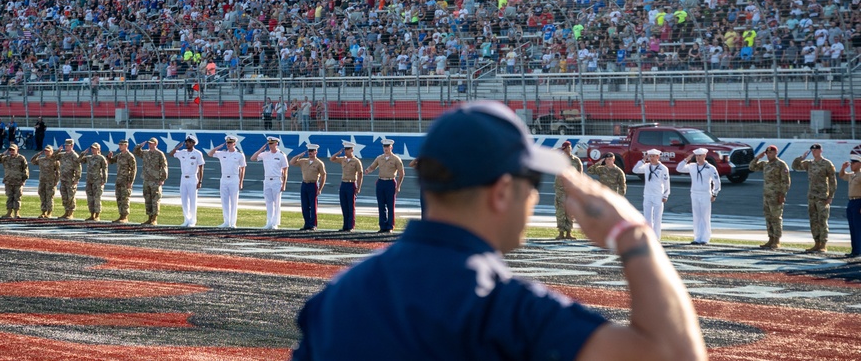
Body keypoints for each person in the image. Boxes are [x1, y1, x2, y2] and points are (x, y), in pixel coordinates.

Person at [292, 101, 707, 361]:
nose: (534, 199)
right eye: (533, 185)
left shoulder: (337, 297)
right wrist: (634, 235)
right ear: (503, 192)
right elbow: (673, 354)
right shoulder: (504, 308)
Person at [792, 143, 837, 253]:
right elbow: (795, 166)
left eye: (816, 150)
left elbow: (832, 181)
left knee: (822, 220)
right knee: (813, 221)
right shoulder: (809, 164)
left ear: (821, 151)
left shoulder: (827, 164)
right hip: (812, 196)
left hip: (822, 196)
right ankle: (816, 243)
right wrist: (801, 158)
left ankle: (823, 244)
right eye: (812, 150)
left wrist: (830, 196)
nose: (814, 152)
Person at [749, 145, 791, 249]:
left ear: (776, 153)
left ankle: (776, 240)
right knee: (768, 218)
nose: (769, 155)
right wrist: (757, 157)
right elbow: (751, 167)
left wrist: (782, 194)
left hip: (776, 196)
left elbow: (786, 182)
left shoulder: (781, 164)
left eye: (771, 153)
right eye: (767, 153)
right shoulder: (765, 164)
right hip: (767, 196)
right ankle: (770, 238)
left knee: (776, 218)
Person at [675, 148, 720, 245]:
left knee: (705, 216)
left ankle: (705, 238)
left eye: (700, 155)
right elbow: (679, 168)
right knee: (696, 216)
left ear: (704, 156)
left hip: (705, 194)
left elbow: (717, 182)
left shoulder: (710, 168)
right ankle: (697, 237)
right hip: (694, 193)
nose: (698, 158)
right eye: (697, 156)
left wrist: (714, 193)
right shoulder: (692, 166)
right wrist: (686, 159)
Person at [364, 139, 404, 233]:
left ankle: (389, 226)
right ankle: (382, 225)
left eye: (387, 146)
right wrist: (368, 170)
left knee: (390, 205)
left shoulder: (396, 159)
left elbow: (401, 173)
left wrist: (398, 186)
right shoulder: (379, 158)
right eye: (384, 146)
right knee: (381, 205)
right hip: (381, 182)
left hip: (390, 182)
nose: (386, 148)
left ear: (391, 147)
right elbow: (372, 167)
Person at [207, 136, 246, 228]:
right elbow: (210, 154)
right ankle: (226, 221)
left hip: (234, 178)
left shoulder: (239, 155)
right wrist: (218, 147)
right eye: (227, 143)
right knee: (224, 201)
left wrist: (241, 182)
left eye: (230, 143)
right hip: (224, 178)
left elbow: (243, 168)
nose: (228, 145)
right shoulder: (222, 153)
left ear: (234, 144)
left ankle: (233, 223)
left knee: (233, 201)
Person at [632, 148, 670, 239]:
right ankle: (648, 237)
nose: (652, 158)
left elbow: (666, 183)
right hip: (648, 194)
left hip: (658, 195)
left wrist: (665, 194)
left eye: (654, 156)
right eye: (650, 156)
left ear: (658, 156)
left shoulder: (663, 168)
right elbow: (635, 170)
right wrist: (642, 160)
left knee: (657, 218)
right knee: (647, 218)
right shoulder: (646, 166)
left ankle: (656, 237)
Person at [251, 136, 288, 229]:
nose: (270, 145)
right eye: (269, 144)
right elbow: (253, 158)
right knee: (268, 202)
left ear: (276, 144)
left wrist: (284, 184)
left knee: (277, 202)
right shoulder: (265, 154)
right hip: (267, 180)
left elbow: (285, 170)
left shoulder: (281, 155)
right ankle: (269, 222)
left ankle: (275, 223)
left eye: (272, 144)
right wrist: (260, 150)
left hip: (276, 180)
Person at [170, 134, 205, 227]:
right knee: (184, 200)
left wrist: (200, 181)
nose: (186, 144)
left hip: (193, 178)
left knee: (193, 200)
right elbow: (171, 154)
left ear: (193, 143)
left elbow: (201, 167)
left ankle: (192, 221)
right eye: (186, 142)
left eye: (188, 142)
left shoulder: (198, 153)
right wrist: (177, 147)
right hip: (183, 178)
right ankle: (186, 219)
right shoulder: (182, 152)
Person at [290, 144, 327, 230]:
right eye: (309, 151)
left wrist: (320, 188)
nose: (310, 153)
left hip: (313, 184)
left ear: (316, 152)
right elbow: (292, 162)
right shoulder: (304, 161)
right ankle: (307, 223)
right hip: (304, 184)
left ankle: (313, 224)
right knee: (305, 205)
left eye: (312, 151)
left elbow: (323, 175)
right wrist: (298, 156)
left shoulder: (319, 163)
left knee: (313, 206)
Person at [134, 138, 169, 225]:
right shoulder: (145, 153)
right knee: (147, 199)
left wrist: (162, 179)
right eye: (149, 143)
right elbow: (136, 152)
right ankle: (149, 217)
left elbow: (164, 167)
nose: (150, 145)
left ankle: (154, 218)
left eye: (152, 143)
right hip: (146, 179)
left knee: (155, 200)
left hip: (155, 180)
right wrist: (139, 146)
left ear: (155, 144)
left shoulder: (159, 154)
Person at [330, 141, 363, 232]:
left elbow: (360, 174)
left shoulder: (356, 161)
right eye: (345, 149)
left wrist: (359, 187)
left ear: (352, 150)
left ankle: (351, 226)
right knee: (344, 205)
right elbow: (332, 159)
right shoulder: (343, 159)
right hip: (343, 183)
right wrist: (338, 153)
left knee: (351, 206)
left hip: (351, 183)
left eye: (348, 149)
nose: (346, 151)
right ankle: (345, 225)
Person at [556, 140, 583, 240]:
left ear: (571, 148)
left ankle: (569, 232)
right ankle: (561, 232)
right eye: (565, 148)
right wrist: (558, 150)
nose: (567, 149)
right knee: (560, 211)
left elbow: (580, 175)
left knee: (570, 212)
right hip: (560, 189)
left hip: (571, 190)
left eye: (568, 147)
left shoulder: (576, 160)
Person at [0, 144, 29, 219]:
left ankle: (17, 212)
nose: (11, 151)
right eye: (10, 150)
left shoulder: (21, 158)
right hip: (8, 181)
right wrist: (3, 153)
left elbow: (25, 170)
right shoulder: (6, 158)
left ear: (17, 150)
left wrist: (23, 180)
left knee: (17, 197)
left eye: (13, 150)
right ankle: (9, 212)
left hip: (18, 181)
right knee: (9, 197)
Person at [107, 140, 137, 223]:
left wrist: (130, 181)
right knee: (119, 198)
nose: (119, 146)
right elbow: (111, 162)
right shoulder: (119, 155)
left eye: (121, 145)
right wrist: (109, 157)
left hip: (126, 180)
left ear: (126, 145)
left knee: (125, 198)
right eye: (119, 144)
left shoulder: (130, 156)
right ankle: (121, 215)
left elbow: (133, 170)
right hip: (119, 180)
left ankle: (125, 216)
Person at [54, 139, 84, 219]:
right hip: (63, 178)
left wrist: (77, 179)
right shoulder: (63, 155)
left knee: (71, 196)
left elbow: (78, 168)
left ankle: (70, 213)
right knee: (64, 196)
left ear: (72, 146)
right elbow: (53, 157)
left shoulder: (74, 156)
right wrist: (58, 151)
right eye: (66, 145)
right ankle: (66, 211)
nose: (66, 147)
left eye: (68, 145)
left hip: (70, 179)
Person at [839, 154, 861, 259]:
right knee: (852, 227)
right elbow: (842, 176)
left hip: (858, 201)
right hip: (851, 202)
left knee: (858, 227)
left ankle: (858, 250)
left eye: (854, 163)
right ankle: (855, 250)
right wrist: (843, 168)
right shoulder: (852, 175)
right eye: (851, 163)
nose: (851, 165)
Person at [30, 145, 60, 218]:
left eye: (48, 151)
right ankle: (43, 211)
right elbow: (32, 161)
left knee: (49, 197)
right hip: (42, 181)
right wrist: (38, 154)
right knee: (42, 196)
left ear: (52, 152)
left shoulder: (55, 161)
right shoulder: (42, 160)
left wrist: (56, 181)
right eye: (45, 151)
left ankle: (49, 212)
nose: (47, 152)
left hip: (51, 181)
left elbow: (58, 172)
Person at [83, 143, 109, 221]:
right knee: (90, 198)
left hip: (97, 181)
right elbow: (79, 160)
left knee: (97, 198)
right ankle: (92, 214)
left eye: (94, 148)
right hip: (89, 180)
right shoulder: (89, 158)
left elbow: (105, 169)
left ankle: (97, 215)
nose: (93, 150)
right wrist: (83, 153)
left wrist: (104, 180)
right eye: (92, 148)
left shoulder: (101, 158)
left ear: (98, 149)